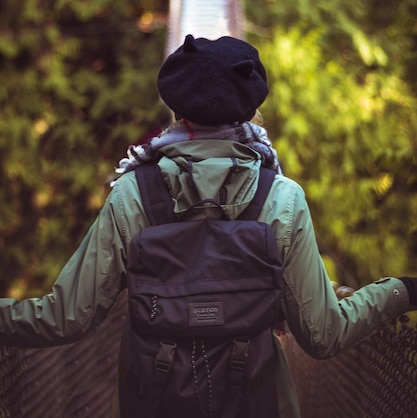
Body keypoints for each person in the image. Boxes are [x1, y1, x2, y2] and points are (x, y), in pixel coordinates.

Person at [0, 33, 415, 418]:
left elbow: (66, 317)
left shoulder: (132, 193)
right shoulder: (282, 198)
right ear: (252, 111)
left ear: (176, 110)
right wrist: (402, 290)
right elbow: (324, 334)